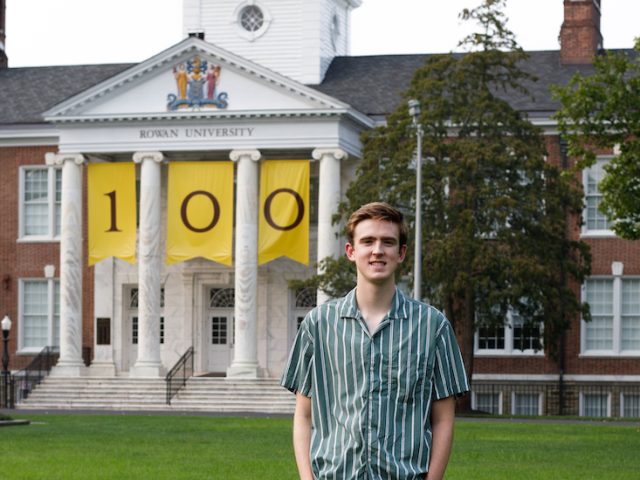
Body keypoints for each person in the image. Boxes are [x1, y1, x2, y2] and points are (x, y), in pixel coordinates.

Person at [281, 202, 469, 480]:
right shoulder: (318, 325)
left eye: (388, 242)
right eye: (368, 241)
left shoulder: (433, 327)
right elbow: (304, 416)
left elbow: (443, 419)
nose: (377, 250)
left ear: (401, 253)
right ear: (351, 251)